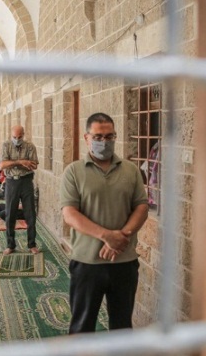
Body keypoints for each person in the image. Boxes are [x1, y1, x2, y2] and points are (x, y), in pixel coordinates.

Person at [60, 112, 148, 334]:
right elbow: (70, 214)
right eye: (98, 137)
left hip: (124, 262)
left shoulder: (131, 170)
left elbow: (141, 207)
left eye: (110, 136)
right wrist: (106, 236)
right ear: (86, 137)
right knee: (82, 327)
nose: (104, 142)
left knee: (122, 327)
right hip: (87, 263)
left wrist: (122, 237)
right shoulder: (74, 172)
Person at [0, 125, 39, 255]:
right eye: (14, 137)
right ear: (11, 135)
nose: (17, 139)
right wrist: (21, 161)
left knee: (30, 214)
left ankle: (32, 244)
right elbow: (2, 165)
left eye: (19, 137)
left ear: (23, 134)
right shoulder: (6, 145)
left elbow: (33, 165)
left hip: (26, 182)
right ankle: (10, 245)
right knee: (10, 214)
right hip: (11, 182)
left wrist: (14, 162)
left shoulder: (30, 146)